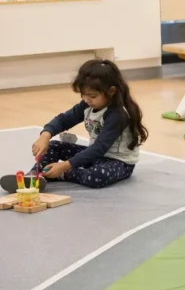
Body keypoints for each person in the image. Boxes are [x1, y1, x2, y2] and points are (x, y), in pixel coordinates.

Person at [0, 59, 147, 192]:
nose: (86, 100)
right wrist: (45, 134)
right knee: (53, 146)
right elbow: (64, 119)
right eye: (83, 95)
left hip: (119, 162)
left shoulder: (117, 114)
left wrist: (64, 167)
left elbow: (99, 147)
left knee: (96, 177)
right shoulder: (87, 104)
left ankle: (59, 174)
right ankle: (35, 175)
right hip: (94, 156)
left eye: (92, 96)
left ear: (111, 91)